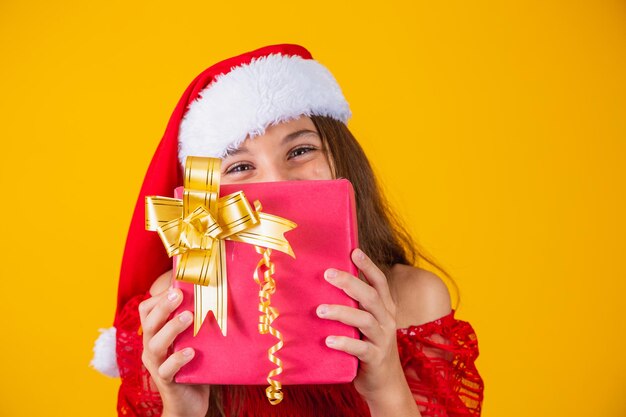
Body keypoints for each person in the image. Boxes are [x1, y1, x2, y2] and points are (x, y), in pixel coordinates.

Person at [92, 44, 483, 417]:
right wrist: (181, 409)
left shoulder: (414, 299)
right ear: (206, 193)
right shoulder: (173, 305)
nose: (276, 181)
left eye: (300, 151)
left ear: (342, 158)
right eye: (240, 167)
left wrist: (386, 386)